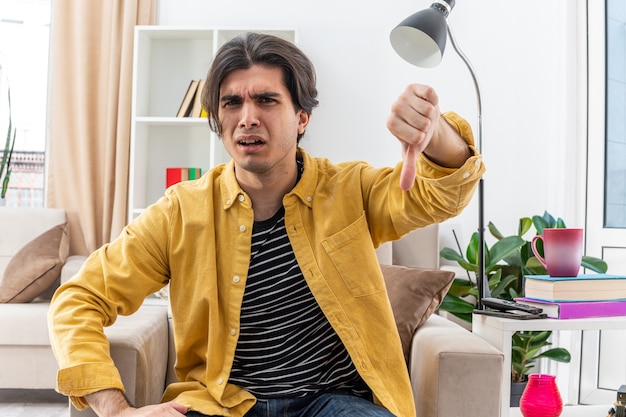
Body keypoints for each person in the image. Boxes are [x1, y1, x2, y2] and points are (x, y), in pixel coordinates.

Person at [48, 32, 484, 417]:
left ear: (302, 118)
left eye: (267, 100)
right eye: (232, 103)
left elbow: (439, 194)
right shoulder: (180, 212)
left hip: (334, 400)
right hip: (223, 402)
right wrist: (117, 410)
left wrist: (436, 135)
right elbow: (79, 298)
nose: (247, 117)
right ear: (218, 123)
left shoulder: (351, 190)